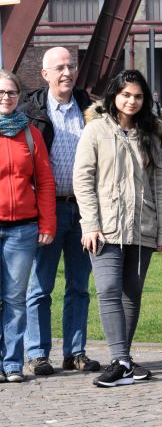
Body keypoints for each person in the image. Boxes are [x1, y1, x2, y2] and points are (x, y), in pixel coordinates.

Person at [73, 69, 162, 388]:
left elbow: (159, 183)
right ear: (114, 95)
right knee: (108, 290)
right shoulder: (96, 130)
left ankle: (124, 361)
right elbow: (83, 179)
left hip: (142, 227)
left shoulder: (149, 133)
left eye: (138, 96)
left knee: (132, 293)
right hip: (105, 229)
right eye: (126, 94)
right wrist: (90, 223)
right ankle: (120, 360)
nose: (131, 101)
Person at [19, 47, 100, 377]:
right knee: (40, 286)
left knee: (79, 285)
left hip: (84, 211)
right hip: (47, 211)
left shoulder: (91, 109)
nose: (67, 73)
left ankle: (75, 352)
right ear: (45, 75)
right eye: (60, 68)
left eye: (71, 66)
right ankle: (37, 353)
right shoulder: (30, 112)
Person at [0, 69, 56, 383]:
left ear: (19, 97)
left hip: (22, 229)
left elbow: (45, 182)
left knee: (15, 299)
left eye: (11, 92)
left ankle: (11, 363)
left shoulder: (30, 134)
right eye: (1, 93)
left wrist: (47, 223)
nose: (6, 98)